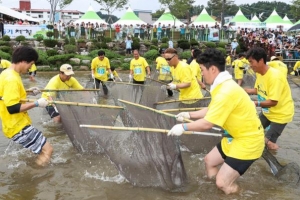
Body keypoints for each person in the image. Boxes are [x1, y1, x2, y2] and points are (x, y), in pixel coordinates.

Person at [168, 48, 264, 194]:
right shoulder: (221, 86)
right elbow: (212, 109)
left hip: (248, 141)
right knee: (209, 161)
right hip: (234, 137)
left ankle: (239, 194)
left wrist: (183, 127)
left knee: (222, 182)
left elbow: (208, 123)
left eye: (202, 70)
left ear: (212, 69)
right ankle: (220, 192)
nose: (201, 74)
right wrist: (188, 113)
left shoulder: (226, 90)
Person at [0, 46, 53, 166]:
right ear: (23, 61)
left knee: (38, 151)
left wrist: (28, 91)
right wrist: (36, 103)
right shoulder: (11, 78)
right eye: (31, 63)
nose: (30, 67)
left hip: (13, 125)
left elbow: (7, 95)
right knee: (48, 150)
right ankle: (35, 178)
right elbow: (13, 108)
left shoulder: (6, 73)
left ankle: (30, 173)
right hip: (17, 126)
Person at [244, 47, 294, 150]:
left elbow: (273, 102)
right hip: (268, 112)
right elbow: (259, 90)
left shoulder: (275, 77)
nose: (250, 65)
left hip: (280, 114)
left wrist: (255, 103)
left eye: (251, 62)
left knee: (269, 142)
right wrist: (245, 91)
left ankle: (277, 159)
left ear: (261, 60)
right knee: (254, 129)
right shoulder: (259, 73)